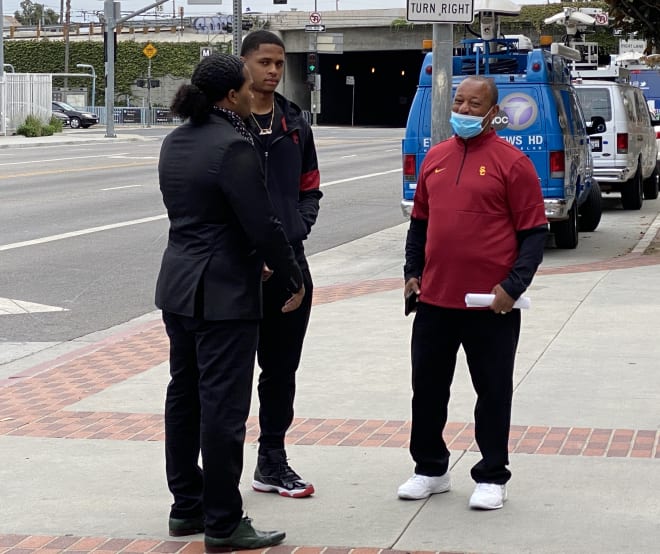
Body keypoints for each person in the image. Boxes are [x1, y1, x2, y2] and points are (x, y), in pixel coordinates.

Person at [155, 53, 306, 552]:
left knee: (184, 397)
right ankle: (224, 521)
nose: (250, 92)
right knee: (223, 409)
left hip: (178, 287)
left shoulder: (175, 142)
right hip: (224, 294)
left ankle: (187, 507)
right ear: (229, 95)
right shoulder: (233, 146)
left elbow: (198, 215)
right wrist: (290, 274)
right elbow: (262, 225)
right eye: (245, 85)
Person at [398, 75, 548, 510]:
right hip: (435, 302)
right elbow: (420, 224)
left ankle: (491, 475)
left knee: (493, 390)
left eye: (473, 104)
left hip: (491, 305)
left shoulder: (512, 163)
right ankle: (430, 469)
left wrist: (512, 286)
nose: (463, 110)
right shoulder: (436, 158)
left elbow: (534, 233)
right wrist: (412, 272)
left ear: (493, 112)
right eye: (459, 102)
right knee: (427, 390)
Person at [240, 30, 322, 498]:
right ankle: (217, 470)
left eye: (279, 63)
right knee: (230, 373)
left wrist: (295, 232)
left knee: (280, 370)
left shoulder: (294, 123)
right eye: (265, 62)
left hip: (290, 268)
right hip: (240, 271)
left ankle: (272, 459)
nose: (273, 71)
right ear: (245, 63)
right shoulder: (228, 122)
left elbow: (310, 188)